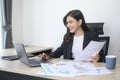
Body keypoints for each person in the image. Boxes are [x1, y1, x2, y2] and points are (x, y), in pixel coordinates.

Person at [39, 9, 105, 62]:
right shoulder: (68, 37)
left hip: (88, 68)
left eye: (71, 22)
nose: (68, 25)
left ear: (79, 22)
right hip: (71, 68)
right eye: (67, 23)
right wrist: (47, 56)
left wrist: (97, 58)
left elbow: (101, 56)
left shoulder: (92, 35)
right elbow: (58, 52)